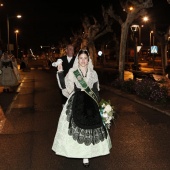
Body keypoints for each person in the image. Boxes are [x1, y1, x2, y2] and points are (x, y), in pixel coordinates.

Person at [52, 49, 112, 167]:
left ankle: (86, 155)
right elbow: (65, 86)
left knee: (90, 128)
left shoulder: (93, 73)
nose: (83, 60)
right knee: (77, 127)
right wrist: (60, 72)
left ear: (88, 59)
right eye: (81, 58)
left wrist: (100, 105)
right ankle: (76, 151)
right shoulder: (72, 72)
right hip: (77, 102)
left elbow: (96, 90)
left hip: (91, 103)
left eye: (85, 58)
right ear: (77, 60)